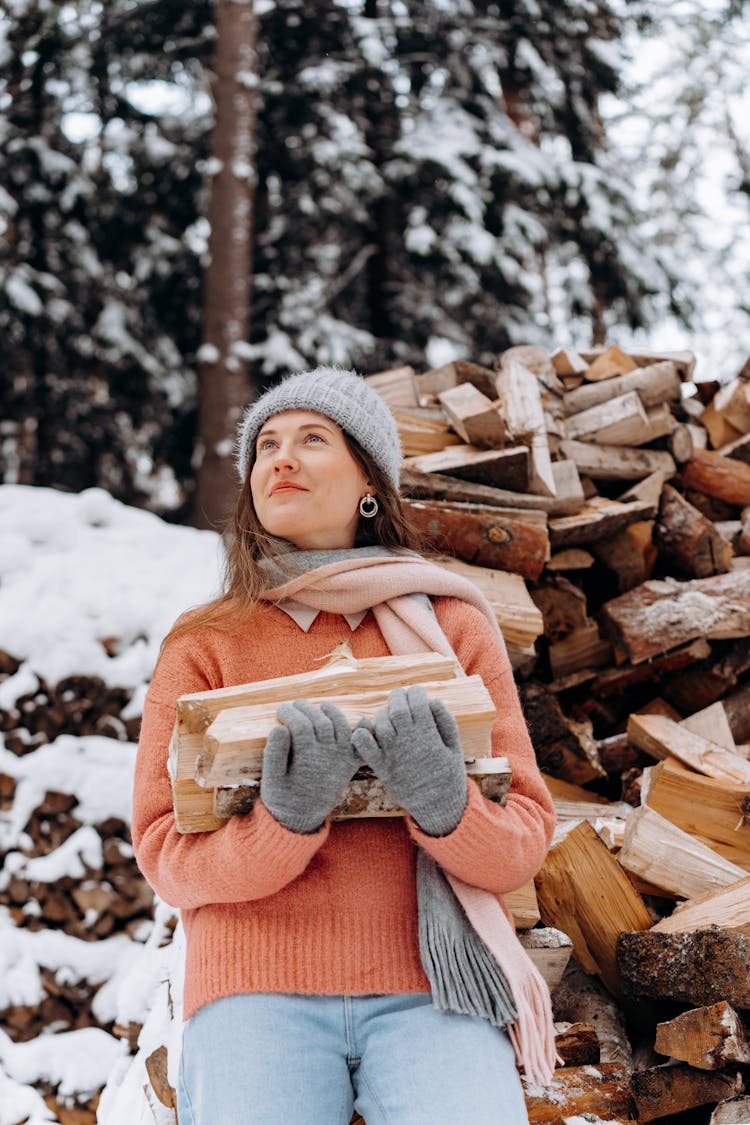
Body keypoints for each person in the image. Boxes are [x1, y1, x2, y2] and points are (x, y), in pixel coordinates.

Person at [132, 365, 556, 1125]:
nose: (280, 459)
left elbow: (521, 840)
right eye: (265, 446)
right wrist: (282, 823)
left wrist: (443, 801)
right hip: (255, 986)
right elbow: (164, 851)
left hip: (435, 987)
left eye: (311, 439)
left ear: (369, 480)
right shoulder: (205, 641)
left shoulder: (453, 624)